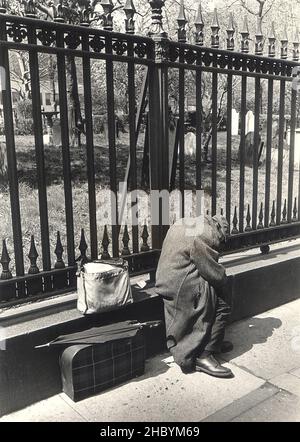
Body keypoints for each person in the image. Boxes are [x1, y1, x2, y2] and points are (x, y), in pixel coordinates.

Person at [155, 214, 234, 378]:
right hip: (181, 286)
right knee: (223, 298)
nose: (219, 246)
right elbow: (213, 272)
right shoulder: (205, 234)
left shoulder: (189, 222)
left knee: (214, 291)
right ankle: (205, 354)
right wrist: (225, 278)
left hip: (167, 280)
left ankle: (213, 343)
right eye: (221, 241)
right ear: (218, 231)